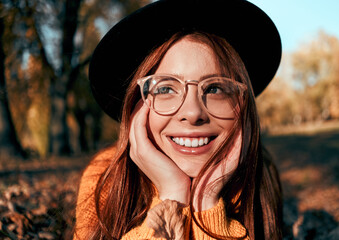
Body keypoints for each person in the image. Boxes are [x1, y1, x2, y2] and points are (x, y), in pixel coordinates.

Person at [74, 0, 283, 239]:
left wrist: (207, 201)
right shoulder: (105, 178)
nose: (193, 113)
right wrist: (171, 197)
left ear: (242, 105)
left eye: (214, 89)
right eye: (165, 89)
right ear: (136, 106)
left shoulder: (259, 176)